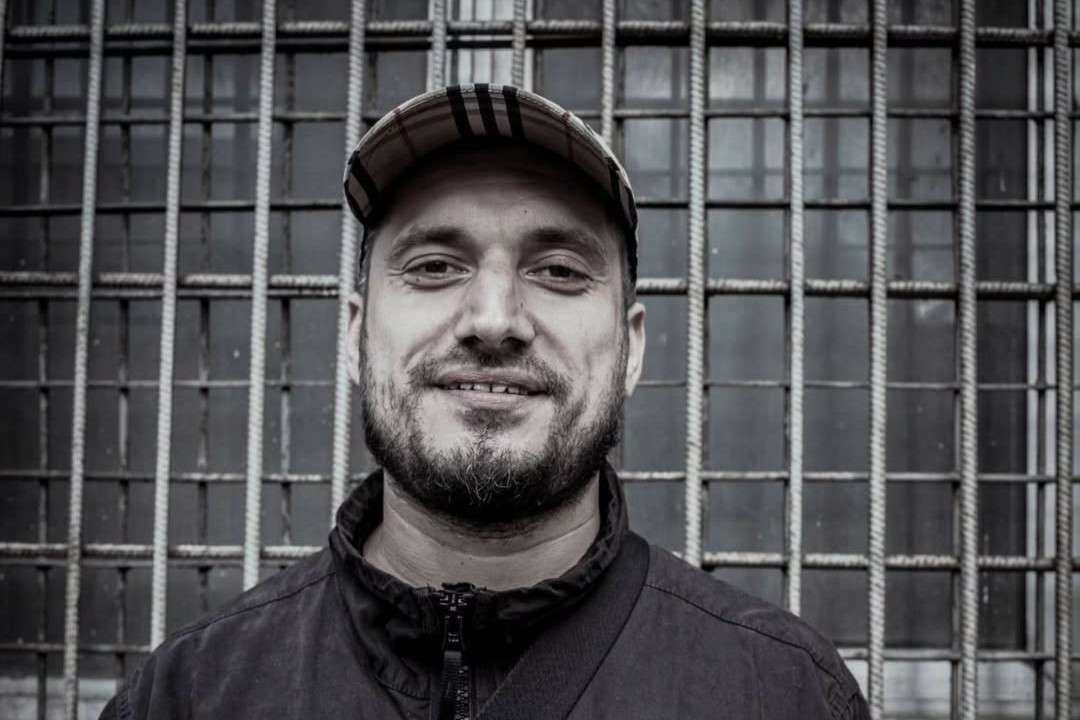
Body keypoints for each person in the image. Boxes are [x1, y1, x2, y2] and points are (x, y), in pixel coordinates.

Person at [99, 84, 869, 720]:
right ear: (358, 335)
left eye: (559, 270)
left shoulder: (782, 692)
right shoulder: (190, 695)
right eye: (435, 266)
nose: (495, 320)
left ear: (631, 348)